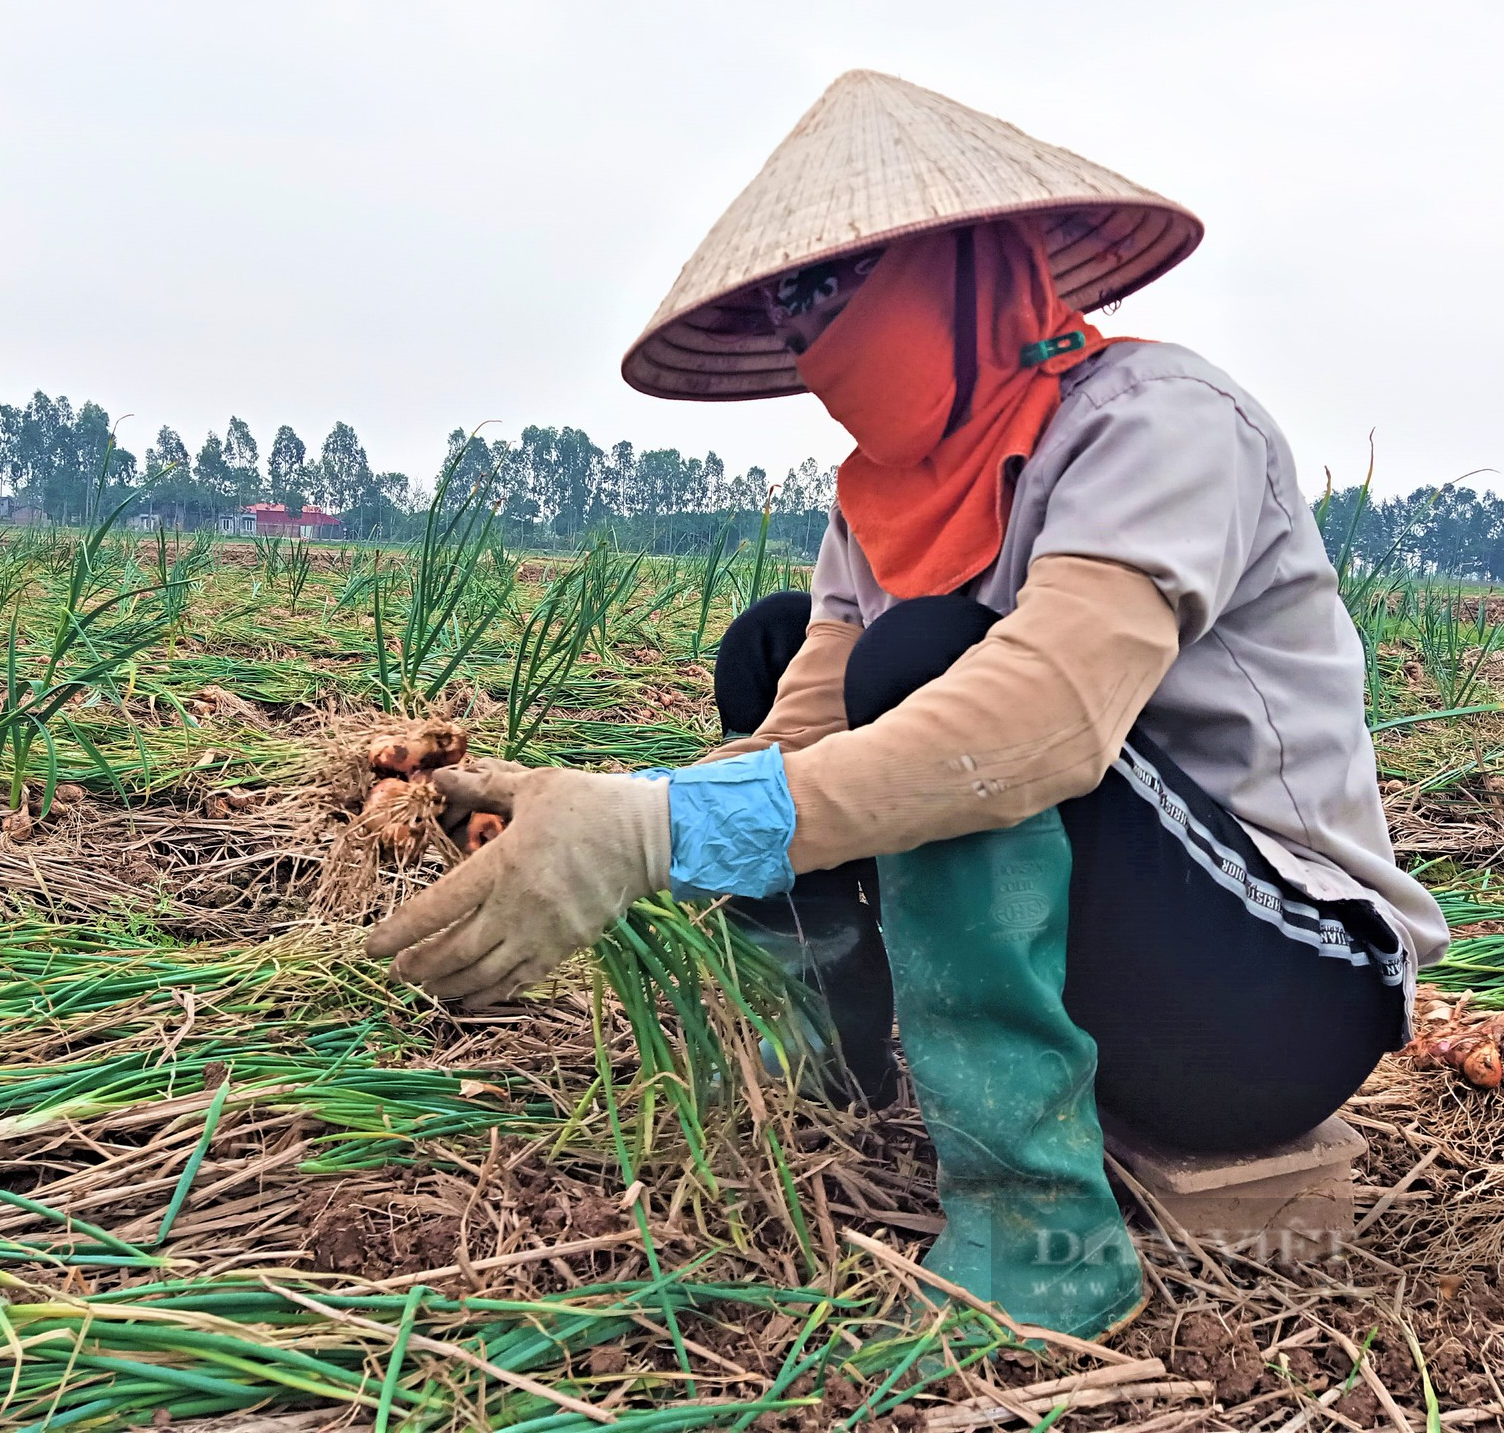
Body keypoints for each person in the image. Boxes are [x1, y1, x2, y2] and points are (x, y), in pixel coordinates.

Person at [367, 70, 1449, 1340]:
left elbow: (1039, 714)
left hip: (1271, 998)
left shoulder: (1159, 425)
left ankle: (1034, 1225)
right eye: (791, 300)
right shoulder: (880, 498)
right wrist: (618, 812)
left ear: (965, 266)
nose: (810, 330)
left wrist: (660, 831)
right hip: (1116, 956)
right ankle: (822, 1049)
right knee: (781, 645)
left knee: (932, 667)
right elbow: (800, 730)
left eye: (840, 286)